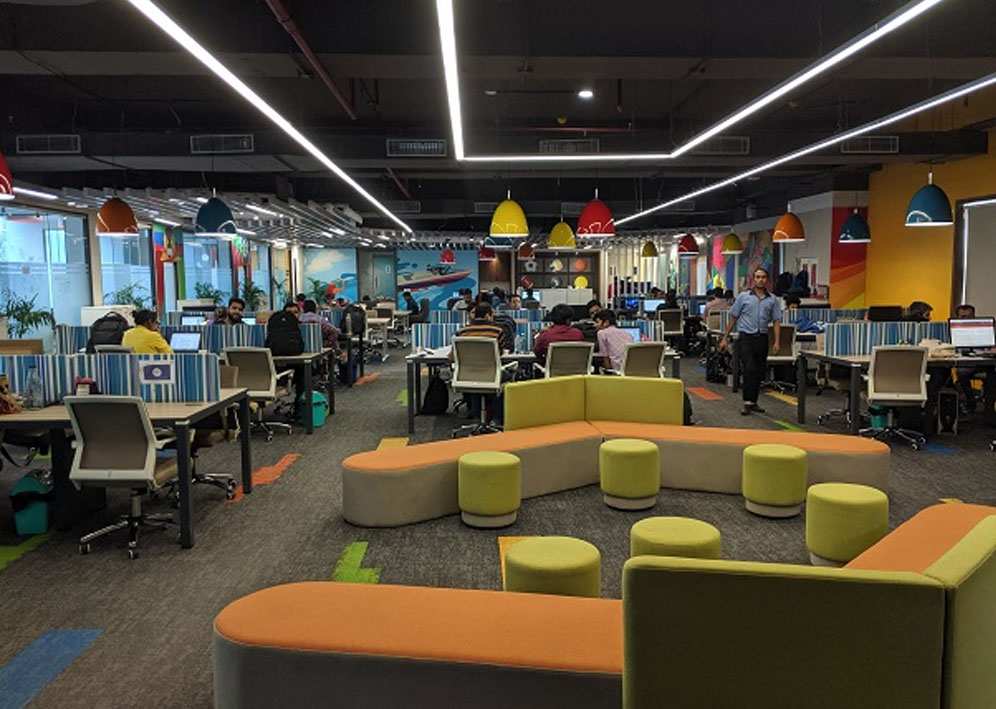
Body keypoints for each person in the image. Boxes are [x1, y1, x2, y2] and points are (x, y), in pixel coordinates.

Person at [720, 267, 782, 415]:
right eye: (758, 277)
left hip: (762, 338)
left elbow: (776, 321)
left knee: (759, 371)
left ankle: (753, 401)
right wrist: (724, 338)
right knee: (749, 368)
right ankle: (747, 401)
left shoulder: (772, 299)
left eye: (763, 277)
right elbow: (734, 317)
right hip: (746, 338)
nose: (760, 280)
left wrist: (777, 341)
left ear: (767, 280)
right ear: (753, 279)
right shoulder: (744, 297)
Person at [451, 302, 506, 422]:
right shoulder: (497, 331)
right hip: (491, 375)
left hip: (468, 375)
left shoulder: (462, 332)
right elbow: (500, 353)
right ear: (487, 316)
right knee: (507, 376)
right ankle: (497, 418)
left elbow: (452, 357)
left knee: (475, 373)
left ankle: (475, 414)